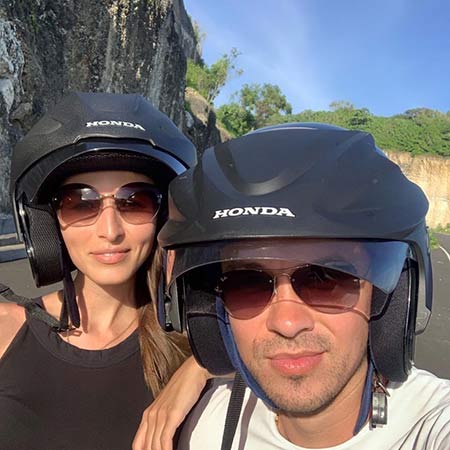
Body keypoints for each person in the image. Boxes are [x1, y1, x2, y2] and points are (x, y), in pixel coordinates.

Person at [156, 123, 450, 449]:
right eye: (246, 283)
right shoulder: (205, 426)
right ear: (210, 312)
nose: (287, 323)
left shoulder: (431, 425)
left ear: (391, 295)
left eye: (326, 277)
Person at [0, 91, 210, 450]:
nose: (110, 230)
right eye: (80, 203)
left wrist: (204, 365)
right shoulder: (6, 328)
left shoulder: (189, 344)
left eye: (136, 201)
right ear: (49, 223)